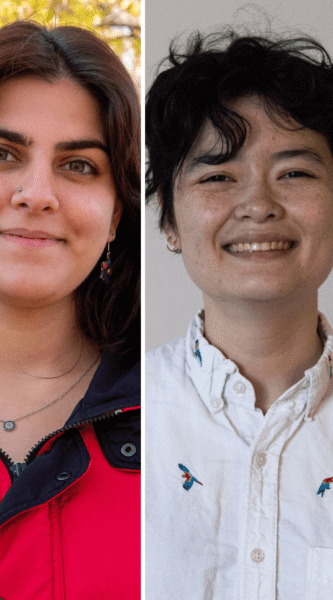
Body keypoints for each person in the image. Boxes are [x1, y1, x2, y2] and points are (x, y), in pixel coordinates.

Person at [0, 20, 142, 598]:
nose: (37, 193)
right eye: (0, 153)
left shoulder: (184, 413)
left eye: (79, 165)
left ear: (117, 213)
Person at [146, 31, 333, 599]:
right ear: (170, 222)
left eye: (295, 172)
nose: (258, 205)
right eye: (218, 176)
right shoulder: (114, 420)